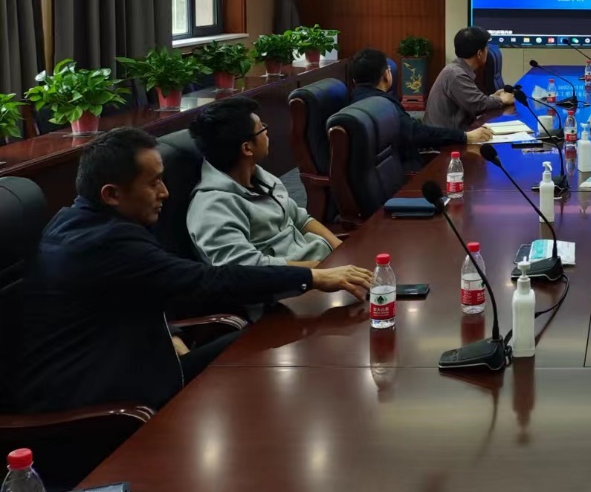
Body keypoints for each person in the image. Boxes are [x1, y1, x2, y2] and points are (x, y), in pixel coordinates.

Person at [12, 128, 374, 414]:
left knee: (264, 342)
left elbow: (133, 288)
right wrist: (313, 277)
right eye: (153, 182)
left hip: (132, 361)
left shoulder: (77, 221)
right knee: (270, 354)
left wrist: (167, 331)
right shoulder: (104, 242)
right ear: (111, 194)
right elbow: (206, 280)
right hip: (102, 403)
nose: (165, 193)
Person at [187, 97, 340, 268]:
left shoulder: (258, 176)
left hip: (320, 262)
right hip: (295, 280)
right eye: (261, 128)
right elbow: (247, 268)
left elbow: (300, 219)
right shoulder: (213, 209)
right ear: (247, 148)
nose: (267, 133)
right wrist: (321, 271)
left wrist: (340, 249)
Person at [350, 48, 493, 169]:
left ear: (354, 80)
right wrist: (465, 136)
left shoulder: (355, 101)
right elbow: (416, 133)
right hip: (407, 174)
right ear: (386, 75)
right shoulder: (382, 107)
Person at [423, 27, 517, 131]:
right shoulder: (456, 74)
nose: (487, 51)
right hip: (445, 137)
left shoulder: (458, 69)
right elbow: (477, 105)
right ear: (479, 54)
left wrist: (492, 98)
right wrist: (501, 100)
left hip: (452, 130)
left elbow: (472, 100)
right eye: (486, 48)